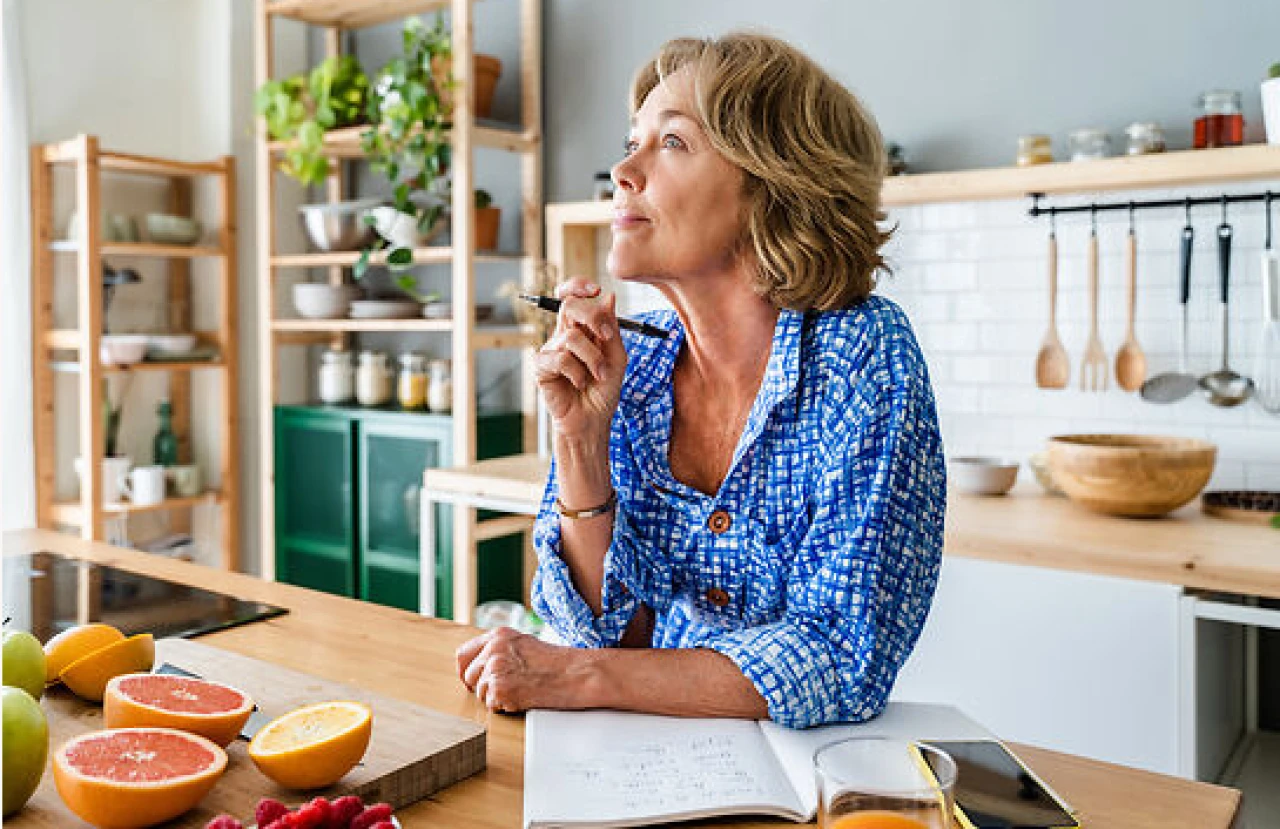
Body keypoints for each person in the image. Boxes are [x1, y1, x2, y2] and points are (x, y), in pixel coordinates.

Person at [456, 32, 945, 729]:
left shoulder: (862, 355)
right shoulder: (639, 368)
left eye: (673, 142)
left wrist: (573, 673)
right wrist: (579, 441)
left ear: (774, 188)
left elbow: (839, 655)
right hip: (654, 759)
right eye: (633, 140)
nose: (624, 169)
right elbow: (606, 631)